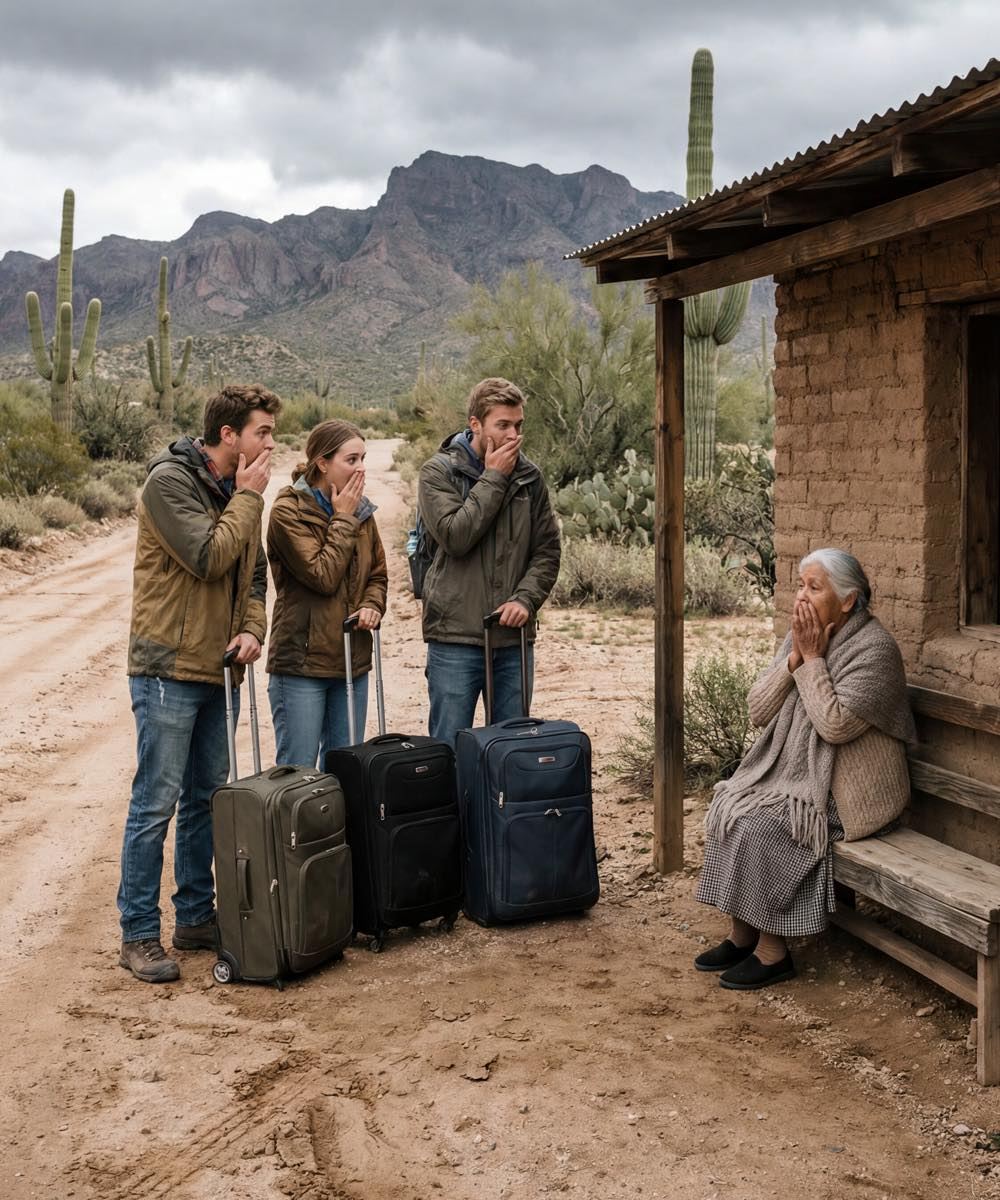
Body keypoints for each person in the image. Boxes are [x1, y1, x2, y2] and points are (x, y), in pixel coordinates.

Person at [695, 548, 916, 990]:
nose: (802, 596)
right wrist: (794, 660)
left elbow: (834, 725)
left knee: (768, 826)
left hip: (853, 793)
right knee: (733, 802)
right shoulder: (802, 635)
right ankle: (743, 934)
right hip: (798, 777)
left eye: (814, 588)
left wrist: (813, 661)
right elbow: (759, 710)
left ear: (848, 601)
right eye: (800, 584)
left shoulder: (876, 651)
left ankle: (773, 953)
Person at [118, 383, 280, 983]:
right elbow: (210, 557)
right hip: (167, 667)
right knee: (154, 803)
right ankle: (137, 934)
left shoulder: (236, 493)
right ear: (228, 434)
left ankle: (193, 918)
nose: (271, 443)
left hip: (218, 666)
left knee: (205, 802)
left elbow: (254, 574)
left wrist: (250, 629)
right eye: (262, 432)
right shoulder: (170, 482)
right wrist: (248, 499)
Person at [417, 377, 560, 746]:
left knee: (510, 748)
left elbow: (547, 550)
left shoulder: (530, 477)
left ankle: (498, 809)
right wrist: (494, 477)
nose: (513, 435)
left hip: (513, 640)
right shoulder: (438, 473)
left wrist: (525, 599)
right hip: (455, 637)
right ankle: (455, 808)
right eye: (503, 425)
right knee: (450, 747)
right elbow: (455, 536)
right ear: (475, 424)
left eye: (518, 425)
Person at [266, 419, 387, 766]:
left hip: (352, 659)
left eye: (363, 458)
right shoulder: (289, 511)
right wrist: (344, 518)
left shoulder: (361, 509)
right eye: (351, 460)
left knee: (346, 771)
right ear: (322, 463)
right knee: (298, 774)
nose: (361, 468)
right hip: (301, 664)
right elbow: (323, 575)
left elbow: (377, 573)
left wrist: (371, 604)